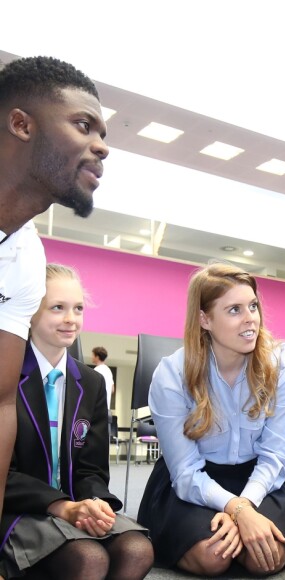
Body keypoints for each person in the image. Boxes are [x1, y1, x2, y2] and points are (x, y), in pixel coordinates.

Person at [138, 263, 285, 576]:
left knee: (264, 558)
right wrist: (236, 510)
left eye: (253, 306)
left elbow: (274, 455)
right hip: (194, 480)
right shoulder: (172, 374)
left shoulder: (281, 363)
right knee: (214, 556)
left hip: (260, 480)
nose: (250, 319)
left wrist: (244, 506)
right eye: (234, 310)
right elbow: (186, 471)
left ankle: (242, 534)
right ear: (205, 319)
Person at [0, 55, 108, 525]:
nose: (101, 148)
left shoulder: (26, 256)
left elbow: (1, 401)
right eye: (84, 125)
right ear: (21, 124)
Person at [0, 264, 153, 579]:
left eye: (78, 308)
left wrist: (94, 501)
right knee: (89, 559)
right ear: (30, 312)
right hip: (19, 510)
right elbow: (5, 474)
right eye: (58, 308)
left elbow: (92, 469)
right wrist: (60, 506)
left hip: (72, 504)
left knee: (137, 549)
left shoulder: (90, 382)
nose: (71, 319)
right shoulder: (7, 375)